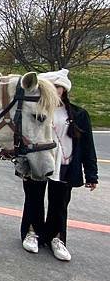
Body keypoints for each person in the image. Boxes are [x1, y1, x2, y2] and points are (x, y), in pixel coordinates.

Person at [21, 69, 98, 261]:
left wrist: (91, 174)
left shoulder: (79, 114)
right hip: (38, 162)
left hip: (64, 164)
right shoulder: (35, 110)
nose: (54, 90)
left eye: (58, 87)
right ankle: (32, 233)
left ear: (65, 89)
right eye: (50, 87)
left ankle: (56, 238)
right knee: (33, 199)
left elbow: (88, 146)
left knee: (60, 204)